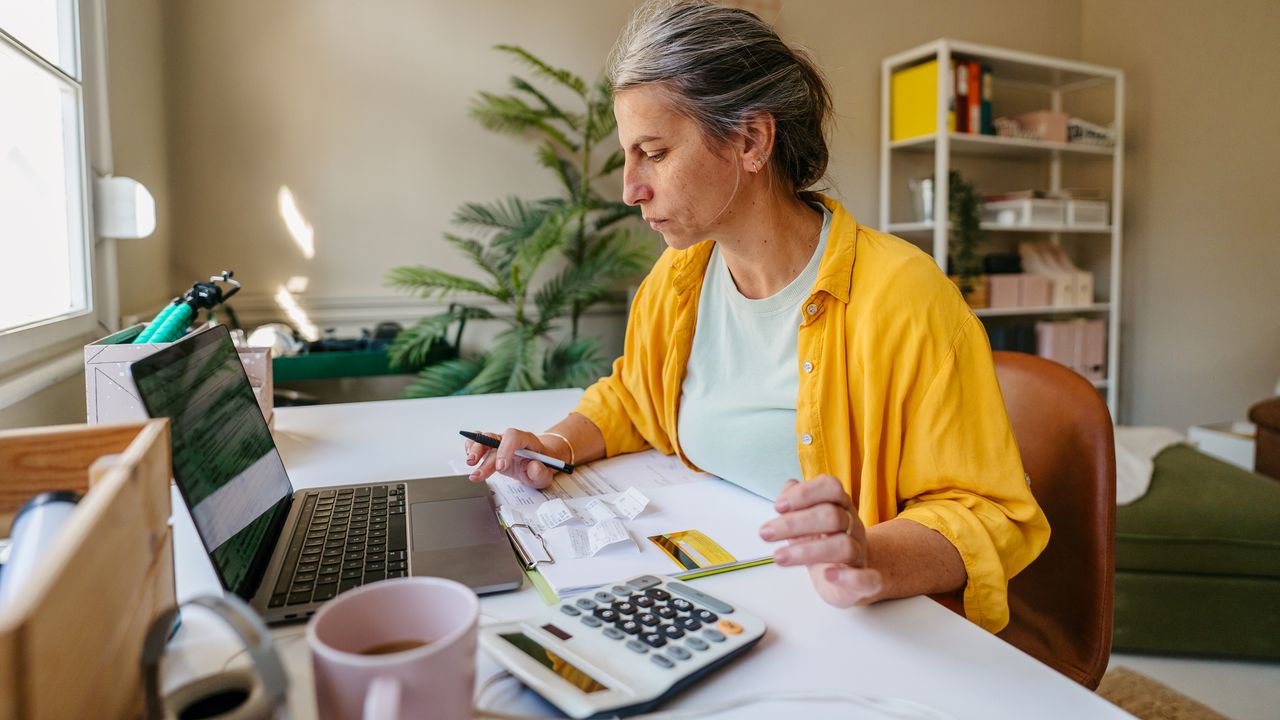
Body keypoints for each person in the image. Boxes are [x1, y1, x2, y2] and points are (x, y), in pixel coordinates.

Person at [465, 0, 1049, 633]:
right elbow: (635, 399)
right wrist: (555, 447)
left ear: (750, 140)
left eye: (654, 153)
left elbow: (987, 513)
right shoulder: (678, 279)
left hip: (854, 624)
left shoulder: (905, 296)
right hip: (718, 598)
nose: (631, 187)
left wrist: (870, 556)